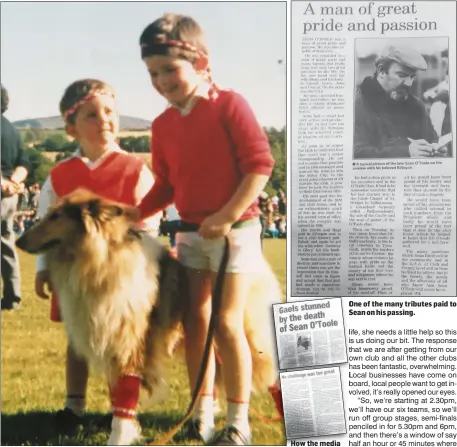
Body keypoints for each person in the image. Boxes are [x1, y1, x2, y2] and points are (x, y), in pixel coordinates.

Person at [127, 13, 276, 445]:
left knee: (227, 323)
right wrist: (135, 213)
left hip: (236, 234)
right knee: (196, 323)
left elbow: (259, 166)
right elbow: (167, 183)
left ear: (201, 61)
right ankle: (201, 414)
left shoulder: (230, 104)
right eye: (153, 73)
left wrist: (228, 215)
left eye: (170, 69)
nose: (161, 81)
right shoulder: (162, 125)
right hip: (190, 234)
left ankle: (238, 423)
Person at [35, 78, 161, 444]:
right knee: (77, 339)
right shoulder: (59, 175)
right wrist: (43, 270)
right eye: (92, 114)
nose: (104, 120)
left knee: (121, 342)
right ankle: (73, 406)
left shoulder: (135, 168)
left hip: (123, 280)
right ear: (71, 126)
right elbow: (47, 226)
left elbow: (150, 221)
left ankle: (120, 411)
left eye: (110, 112)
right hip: (74, 278)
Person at [354, 44, 443, 159]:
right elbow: (357, 154)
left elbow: (431, 138)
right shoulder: (359, 105)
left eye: (412, 77)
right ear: (381, 71)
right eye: (402, 75)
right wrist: (406, 152)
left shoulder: (417, 107)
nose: (409, 83)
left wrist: (434, 148)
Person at [1, 85, 29, 311]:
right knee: (6, 243)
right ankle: (13, 296)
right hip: (10, 195)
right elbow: (24, 162)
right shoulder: (12, 130)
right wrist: (14, 183)